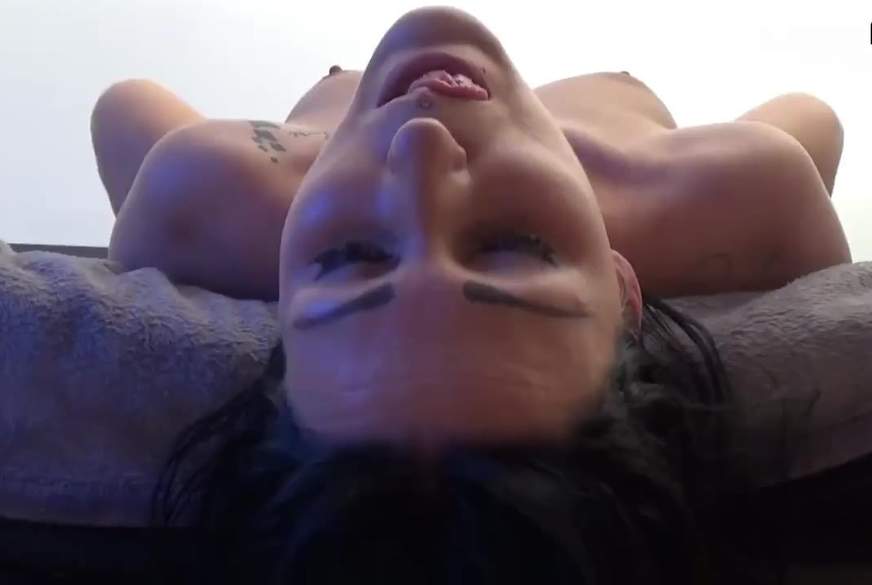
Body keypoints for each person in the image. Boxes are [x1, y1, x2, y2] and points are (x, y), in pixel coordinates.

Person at [89, 6, 852, 584]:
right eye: (514, 246)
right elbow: (814, 119)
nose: (422, 145)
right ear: (624, 287)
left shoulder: (204, 195)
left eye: (353, 257)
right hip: (611, 105)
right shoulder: (741, 197)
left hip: (347, 95)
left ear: (281, 305)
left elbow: (120, 104)